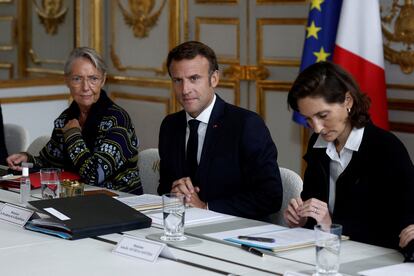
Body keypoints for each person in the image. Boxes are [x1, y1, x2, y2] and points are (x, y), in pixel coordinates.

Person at [284, 61, 414, 257]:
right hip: (327, 253)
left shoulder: (387, 149)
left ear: (348, 101)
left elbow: (396, 227)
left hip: (377, 259)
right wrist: (303, 219)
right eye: (308, 119)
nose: (317, 128)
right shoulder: (317, 144)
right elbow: (316, 209)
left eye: (323, 115)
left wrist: (331, 226)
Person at [157, 41, 283, 220]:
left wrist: (206, 207)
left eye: (194, 78)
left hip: (236, 233)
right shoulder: (170, 125)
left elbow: (270, 196)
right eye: (178, 80)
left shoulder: (246, 125)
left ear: (214, 78)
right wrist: (175, 192)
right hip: (183, 228)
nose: (185, 90)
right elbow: (163, 187)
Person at [7, 47, 142, 194]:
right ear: (67, 81)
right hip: (76, 198)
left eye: (93, 79)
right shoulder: (65, 118)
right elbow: (50, 162)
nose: (85, 87)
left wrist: (73, 135)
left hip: (120, 202)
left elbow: (95, 175)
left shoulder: (117, 120)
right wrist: (26, 160)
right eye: (77, 79)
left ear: (103, 80)